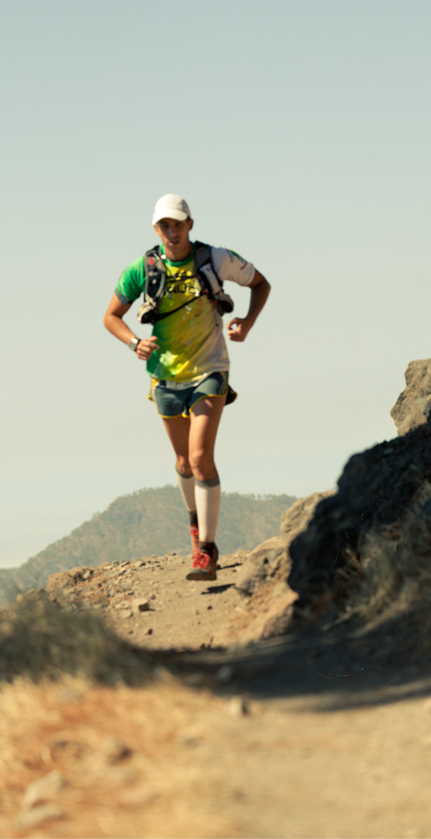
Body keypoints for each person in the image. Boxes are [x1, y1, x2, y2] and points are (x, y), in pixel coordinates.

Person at [102, 194, 271, 581]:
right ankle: (195, 527)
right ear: (156, 229)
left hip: (210, 369)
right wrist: (134, 342)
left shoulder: (216, 259)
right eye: (165, 225)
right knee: (182, 463)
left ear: (190, 225)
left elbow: (261, 284)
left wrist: (248, 321)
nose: (172, 231)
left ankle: (207, 551)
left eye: (178, 224)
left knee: (199, 458)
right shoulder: (141, 269)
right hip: (165, 374)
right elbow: (110, 316)